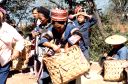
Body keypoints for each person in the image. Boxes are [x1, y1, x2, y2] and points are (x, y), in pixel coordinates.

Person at [38, 8, 83, 84]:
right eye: (56, 27)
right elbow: (42, 41)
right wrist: (53, 46)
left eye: (59, 27)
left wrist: (67, 44)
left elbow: (78, 35)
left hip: (70, 57)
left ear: (64, 23)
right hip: (57, 57)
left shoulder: (70, 26)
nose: (57, 30)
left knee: (70, 77)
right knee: (48, 76)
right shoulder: (51, 29)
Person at [0, 7, 24, 84]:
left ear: (3, 16)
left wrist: (17, 50)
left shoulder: (8, 27)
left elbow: (20, 39)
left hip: (4, 59)